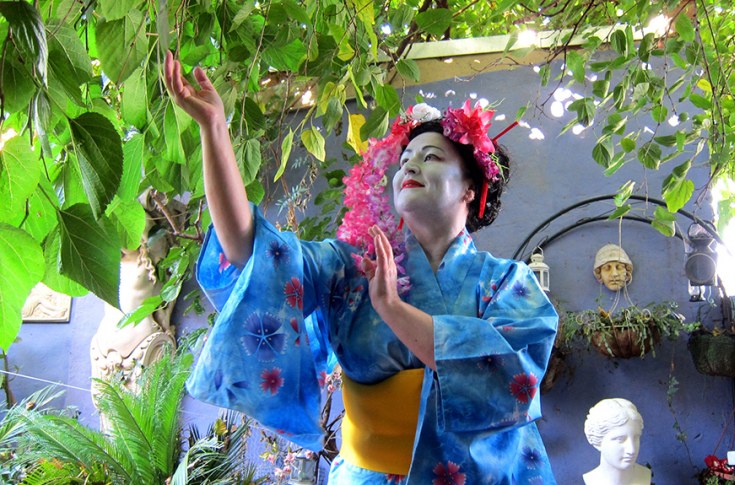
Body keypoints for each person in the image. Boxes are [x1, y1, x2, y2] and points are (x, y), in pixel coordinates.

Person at [164, 52, 559, 483]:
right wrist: (214, 130)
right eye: (405, 157)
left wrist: (394, 309)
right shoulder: (353, 266)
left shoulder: (508, 283)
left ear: (470, 189)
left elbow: (512, 379)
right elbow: (252, 253)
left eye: (431, 157)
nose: (409, 164)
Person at [583, 398, 651, 485]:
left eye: (636, 437)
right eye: (620, 439)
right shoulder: (592, 480)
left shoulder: (644, 475)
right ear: (598, 441)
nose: (632, 450)